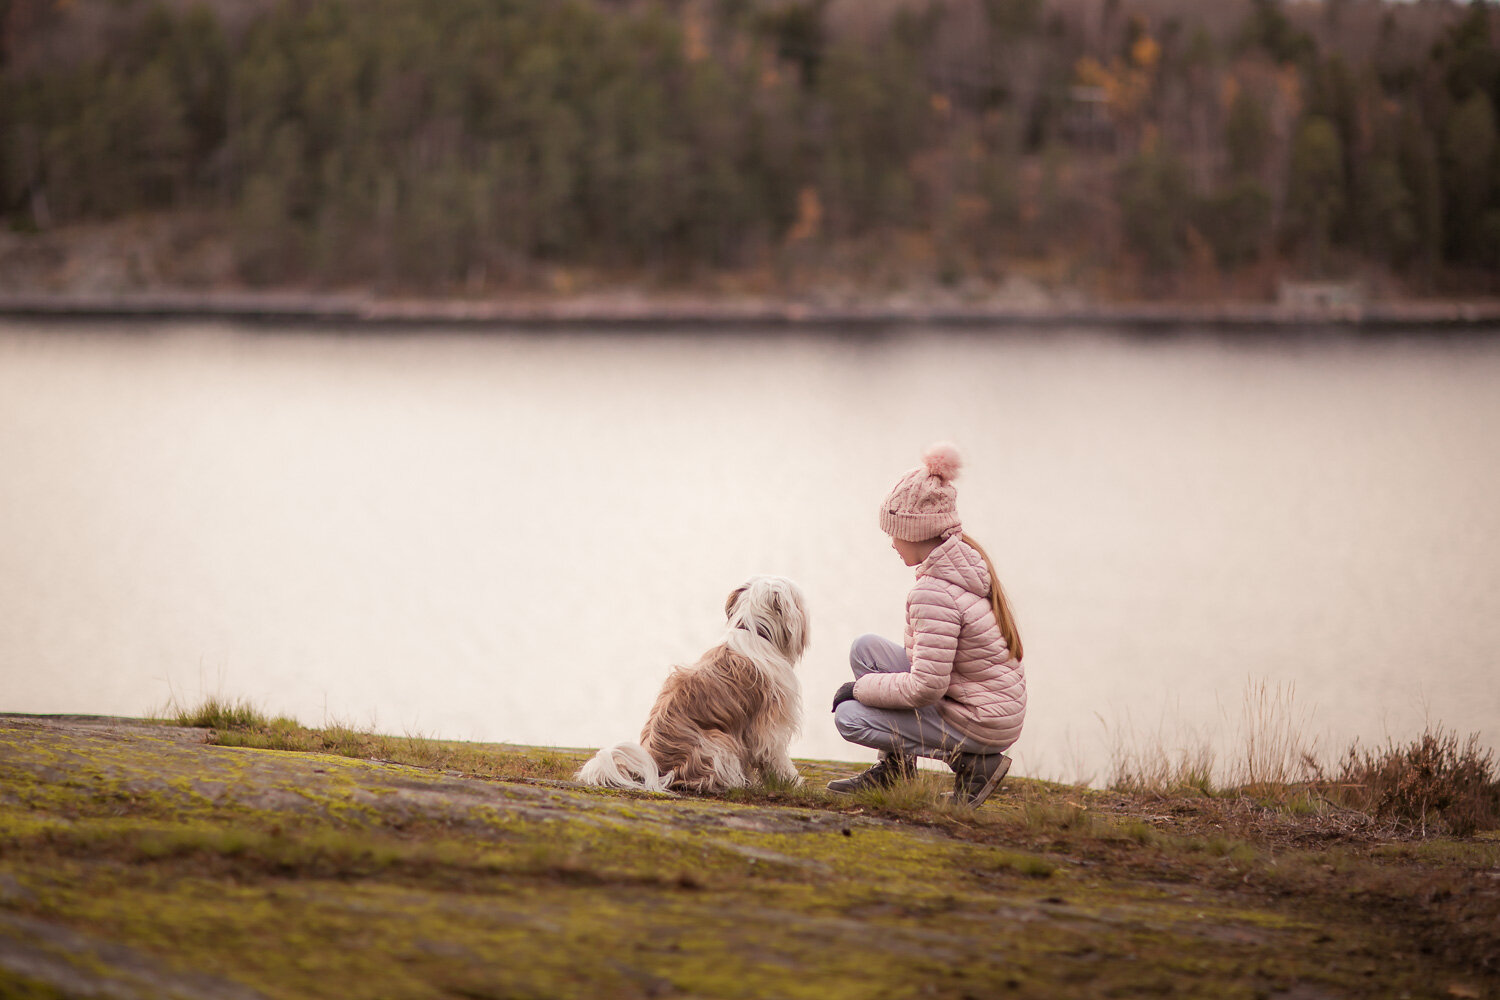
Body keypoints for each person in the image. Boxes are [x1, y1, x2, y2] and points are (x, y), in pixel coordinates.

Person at [828, 443, 1025, 807]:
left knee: (850, 718)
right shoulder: (960, 565)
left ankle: (974, 763)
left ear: (917, 532)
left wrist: (860, 690)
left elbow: (925, 688)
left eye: (894, 533)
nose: (891, 543)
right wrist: (869, 683)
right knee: (865, 649)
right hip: (980, 705)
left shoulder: (934, 592)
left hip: (980, 722)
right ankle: (895, 770)